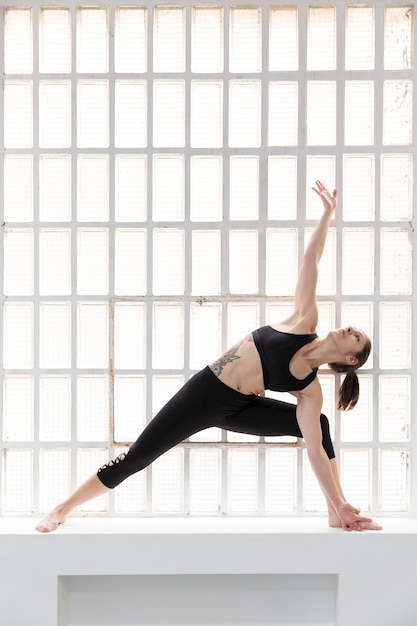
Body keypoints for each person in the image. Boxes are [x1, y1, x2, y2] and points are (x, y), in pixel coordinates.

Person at [36, 181, 382, 533]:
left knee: (318, 426)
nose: (349, 329)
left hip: (241, 407)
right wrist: (327, 214)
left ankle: (337, 511)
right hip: (205, 393)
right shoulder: (303, 320)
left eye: (355, 337)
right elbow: (312, 260)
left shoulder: (309, 390)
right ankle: (62, 509)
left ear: (350, 359)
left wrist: (338, 499)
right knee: (138, 456)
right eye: (353, 329)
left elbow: (314, 452)